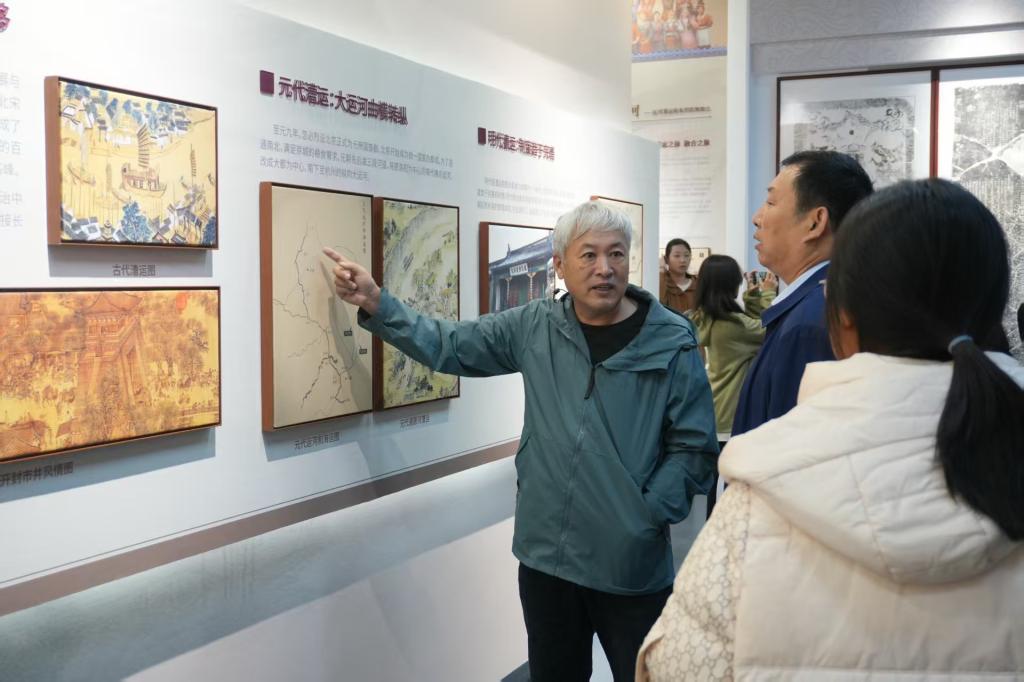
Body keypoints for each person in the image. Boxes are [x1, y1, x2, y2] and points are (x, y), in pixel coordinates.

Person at [637, 179, 1024, 681]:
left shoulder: (760, 495)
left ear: (841, 319)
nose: (757, 216)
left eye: (771, 200)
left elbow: (678, 667)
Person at [325, 200, 718, 682]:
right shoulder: (535, 326)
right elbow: (449, 344)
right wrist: (377, 303)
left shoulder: (670, 339)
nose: (604, 268)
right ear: (560, 265)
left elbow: (694, 447)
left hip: (629, 564)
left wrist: (646, 513)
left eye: (616, 254)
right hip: (546, 556)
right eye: (589, 255)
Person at [731, 150, 873, 437]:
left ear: (815, 222)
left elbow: (791, 451)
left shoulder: (810, 323)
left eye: (771, 202)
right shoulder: (816, 307)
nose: (757, 218)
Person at [689, 256, 776, 516]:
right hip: (731, 414)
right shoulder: (733, 325)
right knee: (728, 493)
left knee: (717, 489)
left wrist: (752, 300)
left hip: (714, 410)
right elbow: (768, 330)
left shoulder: (704, 318)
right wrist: (766, 294)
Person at [658, 238, 698, 315]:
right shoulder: (662, 283)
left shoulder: (698, 283)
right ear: (666, 259)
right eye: (677, 256)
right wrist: (661, 269)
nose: (683, 260)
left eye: (686, 255)